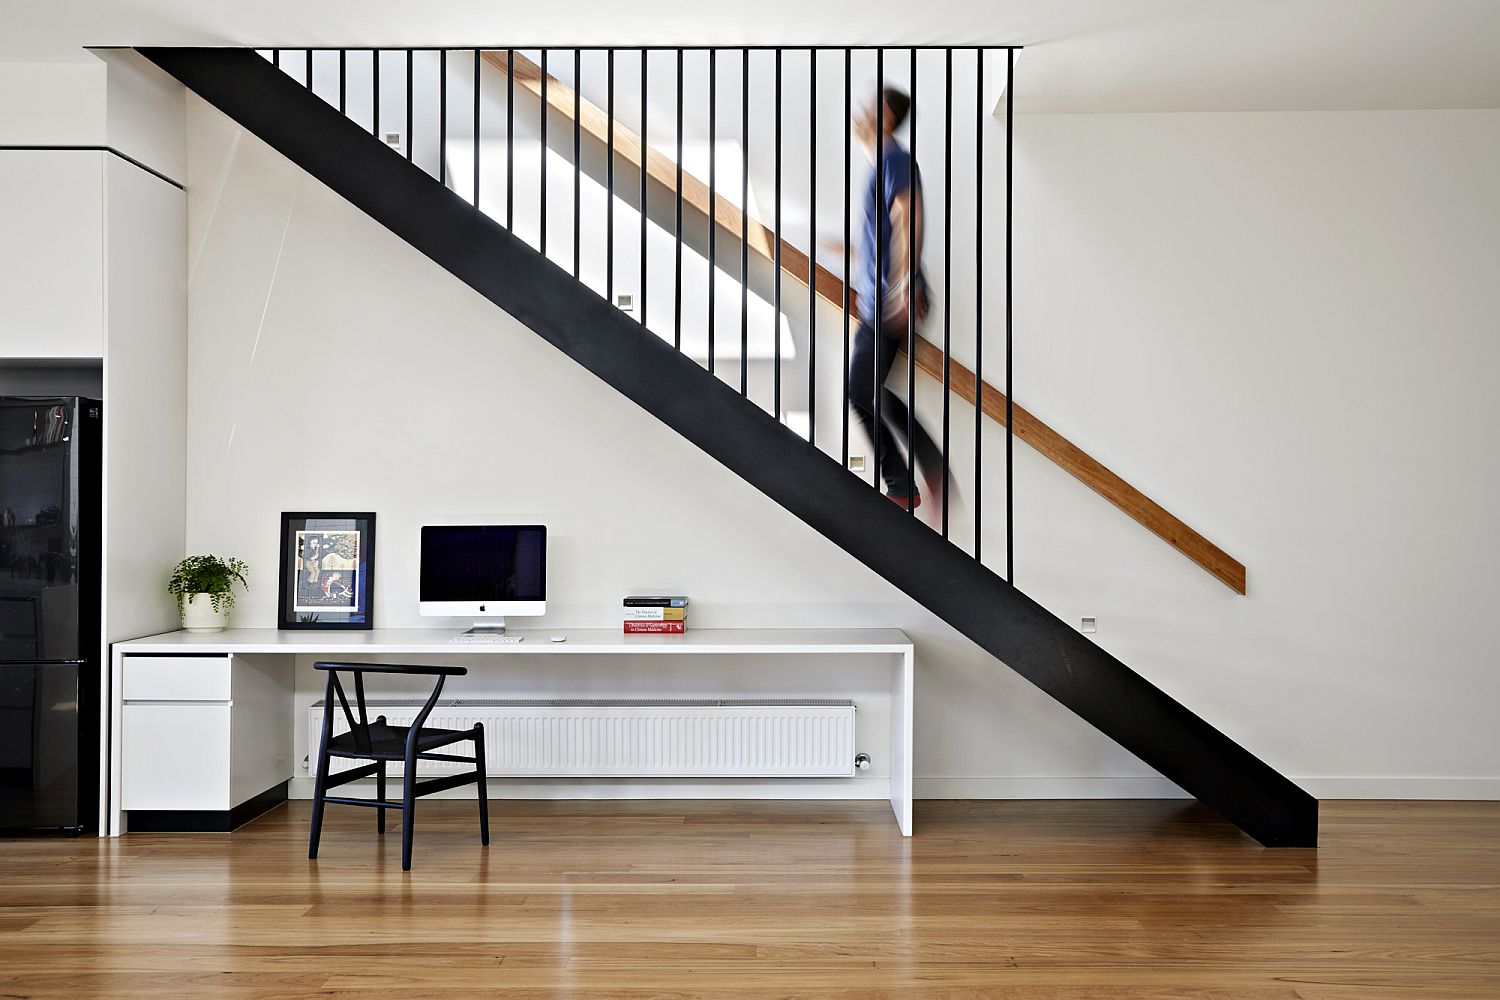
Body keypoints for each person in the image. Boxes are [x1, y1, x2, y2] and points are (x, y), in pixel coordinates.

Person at [847, 86, 944, 511]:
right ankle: (913, 477)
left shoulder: (896, 161)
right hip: (880, 299)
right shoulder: (881, 164)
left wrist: (904, 286)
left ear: (885, 115)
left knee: (860, 391)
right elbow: (883, 236)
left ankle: (909, 481)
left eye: (870, 106)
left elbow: (909, 214)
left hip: (891, 300)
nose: (861, 112)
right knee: (865, 393)